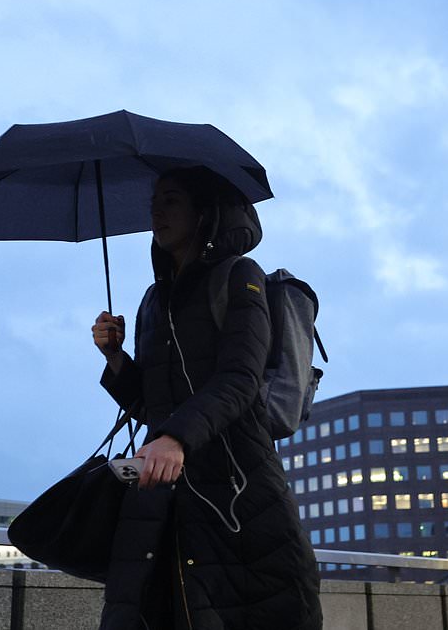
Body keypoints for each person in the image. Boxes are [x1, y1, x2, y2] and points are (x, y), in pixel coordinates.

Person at [91, 169, 322, 630]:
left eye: (171, 200)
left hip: (238, 495)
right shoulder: (153, 302)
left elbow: (241, 378)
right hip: (162, 504)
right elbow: (153, 405)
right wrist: (116, 358)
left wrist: (175, 438)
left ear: (203, 214)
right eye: (155, 200)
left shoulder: (240, 276)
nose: (157, 210)